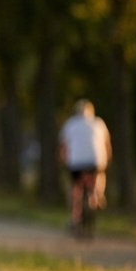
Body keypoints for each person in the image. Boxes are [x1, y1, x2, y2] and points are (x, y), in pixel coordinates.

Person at [59, 98, 112, 229]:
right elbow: (107, 147)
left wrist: (63, 161)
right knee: (99, 175)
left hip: (76, 163)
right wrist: (106, 162)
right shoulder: (99, 123)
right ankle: (97, 195)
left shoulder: (70, 124)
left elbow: (63, 148)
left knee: (76, 188)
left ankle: (74, 217)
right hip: (95, 162)